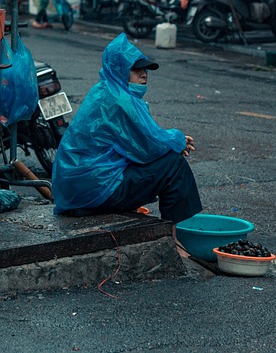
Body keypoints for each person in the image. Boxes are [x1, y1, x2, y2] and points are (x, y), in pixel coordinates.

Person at [52, 33, 202, 237]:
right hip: (93, 189)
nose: (144, 74)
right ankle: (174, 239)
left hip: (77, 190)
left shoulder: (103, 90)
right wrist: (178, 140)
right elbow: (149, 146)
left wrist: (175, 140)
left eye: (145, 70)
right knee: (173, 165)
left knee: (143, 159)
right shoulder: (119, 100)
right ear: (119, 70)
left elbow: (139, 142)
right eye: (136, 69)